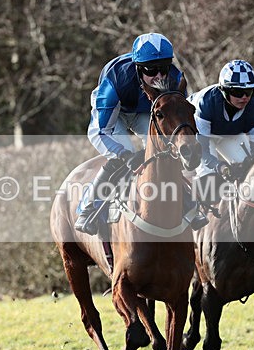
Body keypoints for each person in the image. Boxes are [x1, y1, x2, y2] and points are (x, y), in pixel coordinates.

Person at [75, 32, 208, 234]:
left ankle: (186, 201)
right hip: (113, 114)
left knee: (165, 150)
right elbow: (100, 132)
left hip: (146, 112)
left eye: (164, 68)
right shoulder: (116, 80)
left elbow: (181, 116)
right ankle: (88, 207)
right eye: (152, 70)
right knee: (122, 156)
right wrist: (125, 155)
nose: (159, 76)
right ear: (138, 68)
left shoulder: (175, 78)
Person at [190, 59, 254, 189]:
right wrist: (219, 166)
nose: (244, 97)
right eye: (238, 92)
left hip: (228, 134)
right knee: (209, 177)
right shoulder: (205, 103)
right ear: (224, 90)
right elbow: (202, 151)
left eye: (249, 91)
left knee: (250, 171)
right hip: (199, 137)